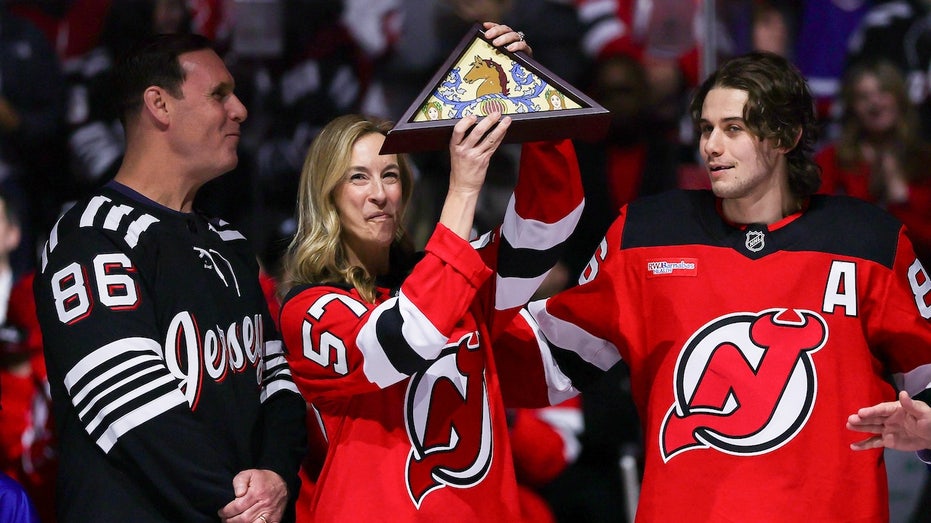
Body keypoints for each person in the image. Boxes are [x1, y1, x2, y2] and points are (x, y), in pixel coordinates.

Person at [492, 50, 931, 521]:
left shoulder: (869, 242)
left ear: (786, 136)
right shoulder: (645, 234)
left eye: (733, 128)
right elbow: (547, 359)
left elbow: (925, 382)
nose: (711, 146)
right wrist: (449, 332)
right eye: (706, 128)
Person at [276, 21, 584, 520]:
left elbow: (545, 228)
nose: (380, 193)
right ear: (326, 195)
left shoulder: (456, 279)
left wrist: (532, 99)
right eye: (358, 177)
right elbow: (404, 337)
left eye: (391, 175)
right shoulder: (309, 309)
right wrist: (463, 191)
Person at [32, 33, 307, 522]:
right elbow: (126, 401)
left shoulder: (231, 241)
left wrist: (277, 474)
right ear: (158, 104)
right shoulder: (92, 235)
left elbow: (278, 382)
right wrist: (238, 501)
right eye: (219, 94)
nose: (240, 109)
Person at [816, 58, 931, 264]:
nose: (875, 103)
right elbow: (816, 227)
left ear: (899, 99)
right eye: (864, 97)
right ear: (853, 107)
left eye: (883, 92)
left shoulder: (924, 162)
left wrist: (901, 198)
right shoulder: (833, 160)